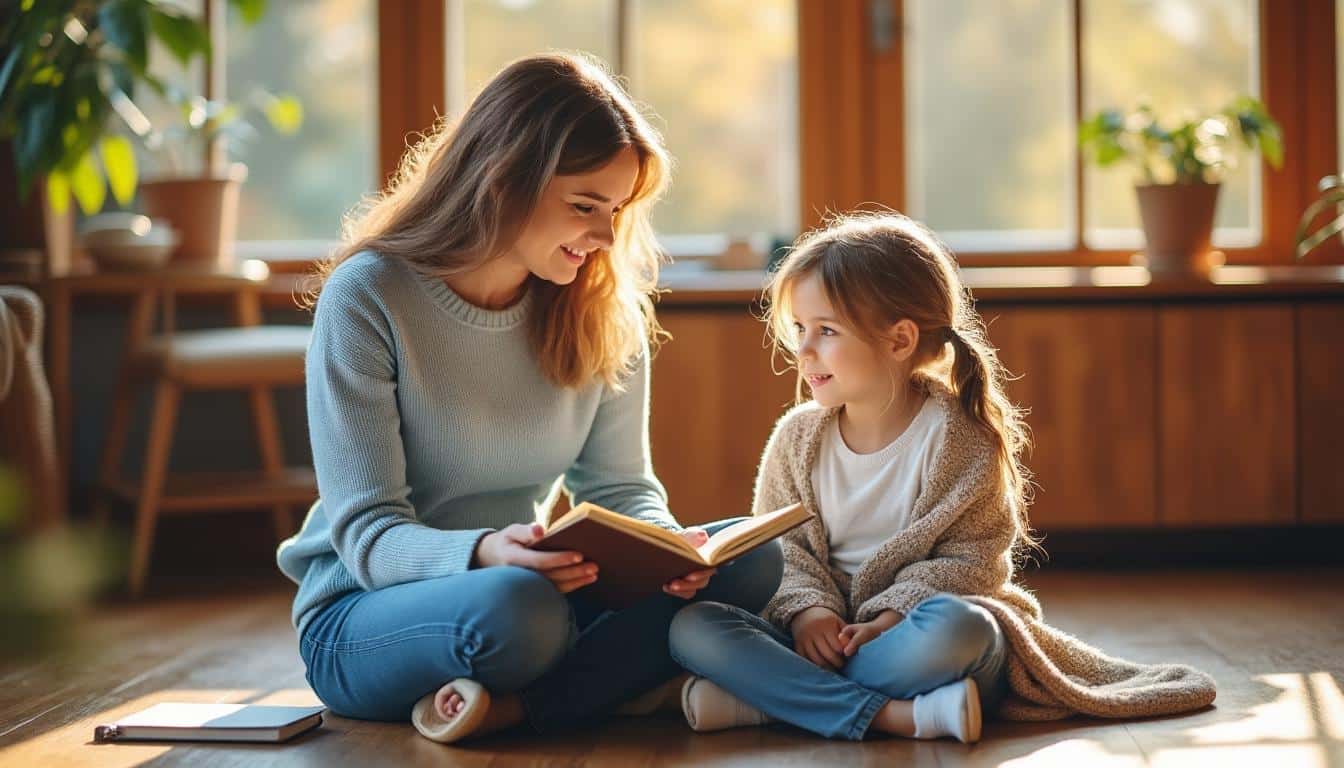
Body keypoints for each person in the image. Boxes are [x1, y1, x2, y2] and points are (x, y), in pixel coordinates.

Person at [276, 52, 782, 745]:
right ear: (503, 179)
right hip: (370, 613)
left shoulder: (602, 309)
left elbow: (623, 487)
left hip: (541, 589)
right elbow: (366, 537)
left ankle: (520, 705)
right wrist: (484, 551)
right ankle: (621, 683)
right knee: (518, 614)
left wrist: (668, 551)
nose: (605, 238)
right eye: (584, 206)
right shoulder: (368, 296)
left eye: (616, 210)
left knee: (748, 560)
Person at [668, 211, 1216, 742]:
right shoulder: (795, 439)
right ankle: (892, 715)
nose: (804, 350)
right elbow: (784, 552)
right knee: (694, 628)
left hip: (906, 641)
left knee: (963, 631)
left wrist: (886, 620)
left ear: (900, 340)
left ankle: (771, 700)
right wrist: (810, 615)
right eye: (799, 329)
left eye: (826, 330)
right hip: (815, 639)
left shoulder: (960, 437)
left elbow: (972, 561)